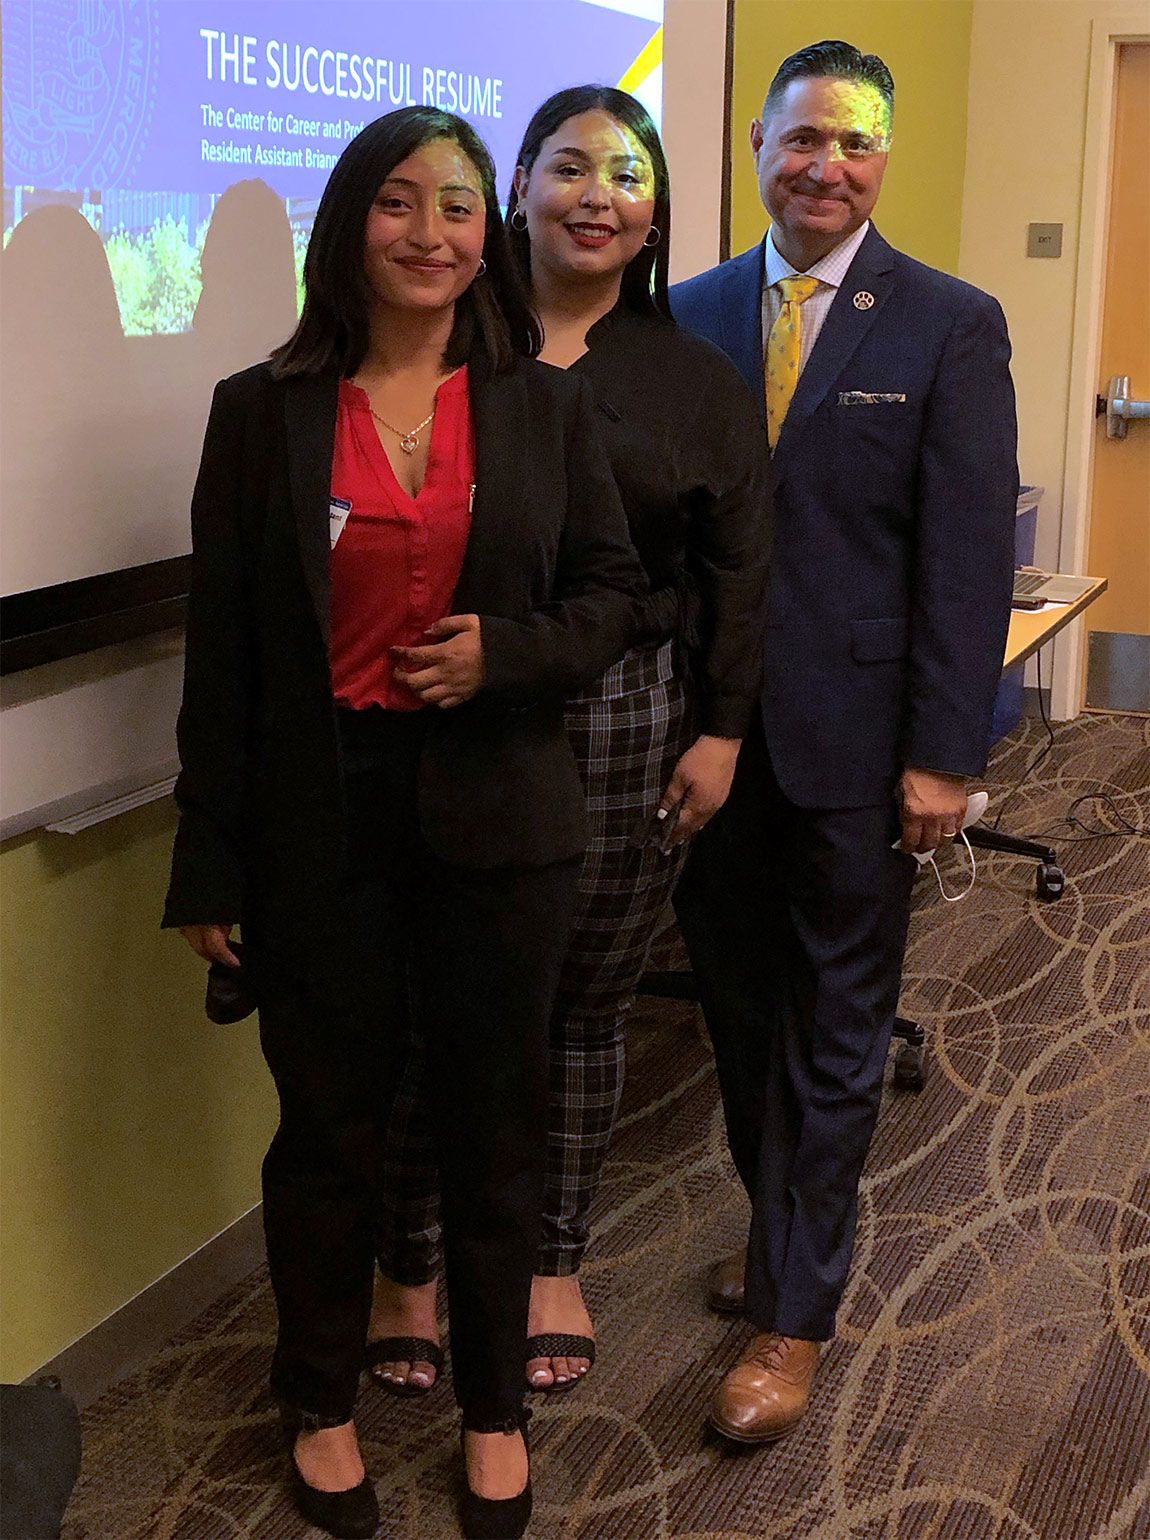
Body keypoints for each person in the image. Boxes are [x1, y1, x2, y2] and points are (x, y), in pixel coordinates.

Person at [163, 105, 646, 1540]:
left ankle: (492, 1411)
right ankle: (317, 1404)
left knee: (495, 1133)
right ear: (349, 224)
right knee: (327, 1136)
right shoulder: (261, 412)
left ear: (480, 230)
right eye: (396, 201)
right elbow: (225, 655)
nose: (427, 233)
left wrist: (511, 652)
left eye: (453, 204)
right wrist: (208, 852)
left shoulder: (542, 402)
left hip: (501, 820)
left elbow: (619, 599)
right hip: (323, 825)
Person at [366, 86, 772, 1398]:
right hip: (449, 709)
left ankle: (551, 1259)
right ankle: (408, 1265)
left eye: (628, 171)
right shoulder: (433, 338)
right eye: (566, 165)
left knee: (583, 1011)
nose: (597, 192)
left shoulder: (694, 378)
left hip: (625, 719)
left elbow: (737, 570)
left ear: (653, 210)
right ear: (518, 192)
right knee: (435, 1005)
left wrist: (719, 730)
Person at [669, 40, 1018, 1443]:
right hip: (706, 751)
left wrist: (945, 752)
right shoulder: (683, 314)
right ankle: (784, 1245)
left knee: (836, 1031)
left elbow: (962, 557)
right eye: (803, 137)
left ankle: (793, 1319)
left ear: (884, 160)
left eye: (855, 143)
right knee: (742, 1019)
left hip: (862, 749)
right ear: (756, 142)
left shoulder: (946, 321)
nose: (825, 165)